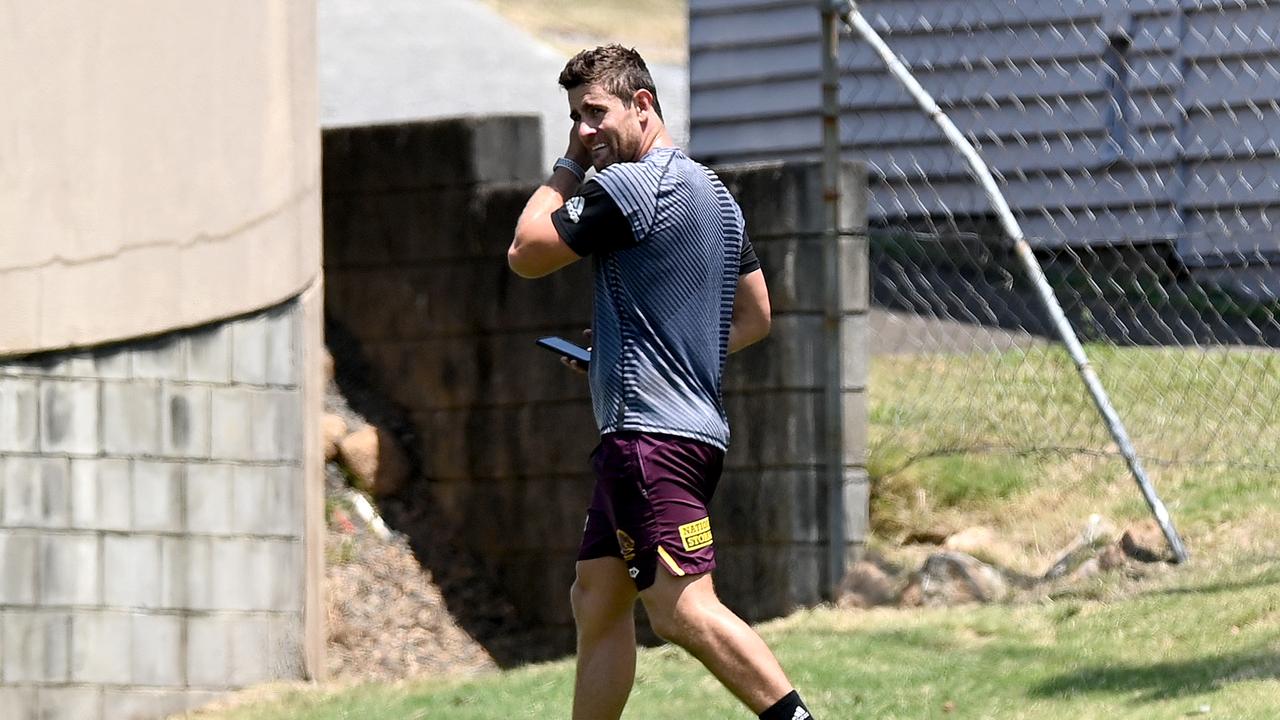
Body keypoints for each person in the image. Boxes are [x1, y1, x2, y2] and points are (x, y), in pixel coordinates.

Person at [507, 45, 817, 720]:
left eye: (594, 114)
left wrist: (566, 165)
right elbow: (756, 316)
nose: (585, 132)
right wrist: (644, 351)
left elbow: (526, 252)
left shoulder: (626, 187)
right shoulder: (716, 196)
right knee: (596, 598)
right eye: (574, 119)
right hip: (685, 437)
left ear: (643, 104)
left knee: (682, 611)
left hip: (647, 442)